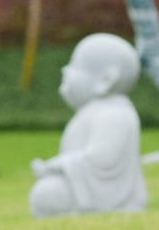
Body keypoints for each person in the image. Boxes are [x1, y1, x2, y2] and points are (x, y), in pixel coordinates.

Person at [30, 33, 146, 217]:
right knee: (46, 191)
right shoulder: (93, 112)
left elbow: (104, 159)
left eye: (75, 66)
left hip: (106, 193)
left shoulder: (114, 114)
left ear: (106, 80)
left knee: (48, 194)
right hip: (81, 184)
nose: (65, 70)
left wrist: (59, 165)